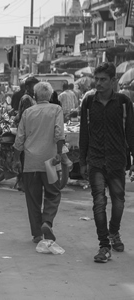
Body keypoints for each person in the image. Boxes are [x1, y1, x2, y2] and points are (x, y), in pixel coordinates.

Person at [79, 62, 134, 263]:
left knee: (118, 202)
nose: (99, 83)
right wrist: (82, 160)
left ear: (113, 81)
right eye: (97, 79)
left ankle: (114, 232)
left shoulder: (123, 102)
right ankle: (104, 245)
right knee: (99, 202)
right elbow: (84, 133)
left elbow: (130, 132)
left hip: (117, 159)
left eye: (103, 80)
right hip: (95, 159)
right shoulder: (88, 102)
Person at [13, 81, 65, 244]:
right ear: (50, 96)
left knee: (33, 198)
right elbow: (59, 134)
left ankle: (37, 234)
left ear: (35, 96)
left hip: (31, 163)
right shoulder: (56, 109)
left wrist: (16, 159)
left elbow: (19, 138)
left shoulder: (28, 112)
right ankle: (47, 222)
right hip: (50, 162)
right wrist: (59, 154)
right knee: (53, 193)